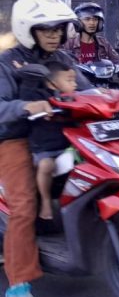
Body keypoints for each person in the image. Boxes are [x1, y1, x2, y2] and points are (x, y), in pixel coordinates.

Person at [0, 0, 81, 297]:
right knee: (23, 206)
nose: (54, 35)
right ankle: (18, 281)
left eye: (59, 29)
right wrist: (25, 106)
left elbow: (84, 89)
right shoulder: (7, 62)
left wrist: (117, 98)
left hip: (59, 136)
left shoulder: (62, 58)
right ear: (27, 30)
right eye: (45, 29)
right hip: (16, 139)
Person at [28, 58, 78, 222]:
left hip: (68, 146)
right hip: (45, 149)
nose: (75, 84)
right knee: (46, 165)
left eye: (74, 80)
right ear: (52, 83)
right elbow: (26, 99)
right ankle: (46, 201)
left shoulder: (74, 98)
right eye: (69, 80)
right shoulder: (40, 97)